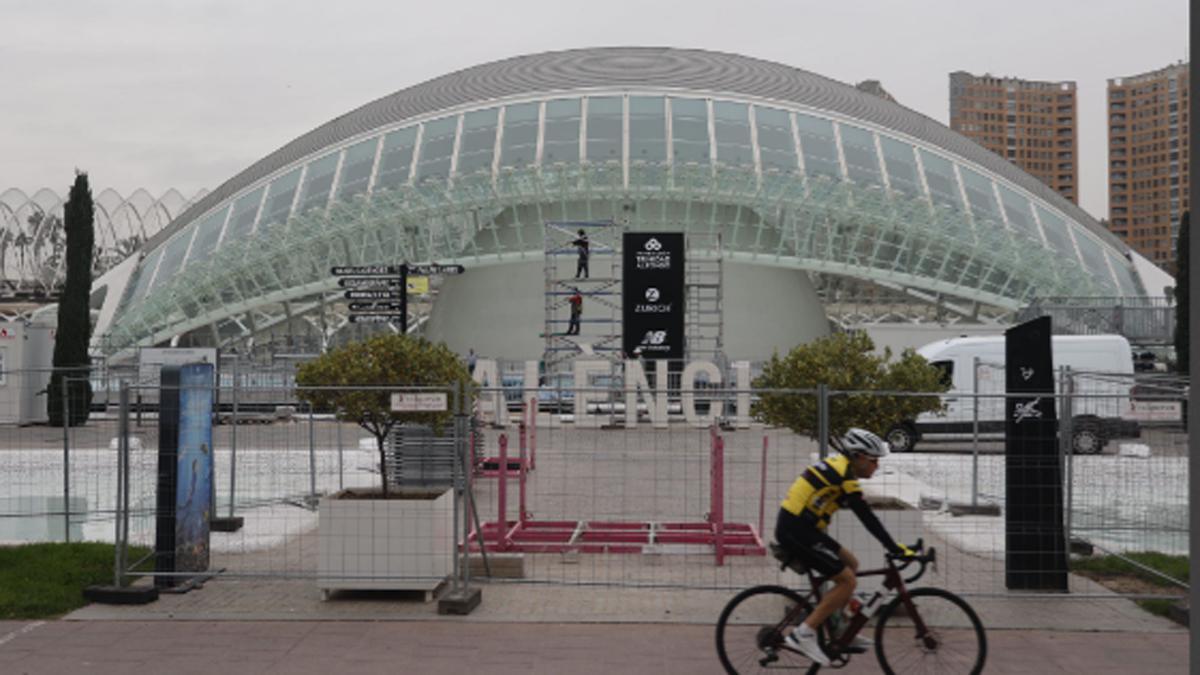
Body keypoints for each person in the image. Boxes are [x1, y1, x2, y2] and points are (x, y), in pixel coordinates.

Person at [775, 427, 914, 666]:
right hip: (796, 531)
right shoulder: (843, 474)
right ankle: (803, 634)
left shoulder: (842, 469)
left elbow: (863, 513)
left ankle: (838, 628)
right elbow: (866, 516)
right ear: (858, 456)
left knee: (852, 564)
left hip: (805, 529)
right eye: (874, 461)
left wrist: (892, 545)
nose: (877, 466)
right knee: (847, 581)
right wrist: (893, 547)